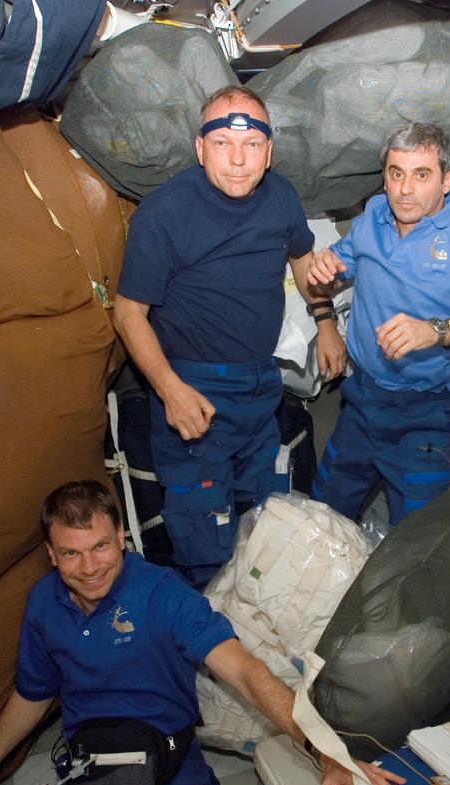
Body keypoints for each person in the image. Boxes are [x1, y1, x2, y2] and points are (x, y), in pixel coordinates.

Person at [0, 481, 401, 785]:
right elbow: (32, 695)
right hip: (89, 776)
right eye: (71, 553)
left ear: (122, 538)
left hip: (172, 779)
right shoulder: (44, 605)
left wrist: (328, 754)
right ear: (51, 555)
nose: (89, 568)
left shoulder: (162, 594)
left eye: (100, 547)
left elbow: (248, 674)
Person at [113, 85, 346, 588]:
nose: (238, 160)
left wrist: (325, 321)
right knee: (204, 538)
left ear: (269, 150)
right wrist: (170, 391)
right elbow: (129, 314)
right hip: (193, 389)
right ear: (200, 149)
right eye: (222, 144)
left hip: (260, 386)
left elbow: (302, 257)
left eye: (252, 145)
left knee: (265, 525)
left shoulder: (281, 195)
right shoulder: (163, 214)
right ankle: (206, 651)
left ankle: (256, 636)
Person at [305, 122, 450, 525]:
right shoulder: (373, 214)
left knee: (414, 543)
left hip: (424, 412)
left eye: (421, 175)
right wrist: (324, 272)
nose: (405, 189)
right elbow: (334, 273)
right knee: (322, 517)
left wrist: (437, 330)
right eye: (396, 173)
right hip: (361, 402)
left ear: (447, 180)